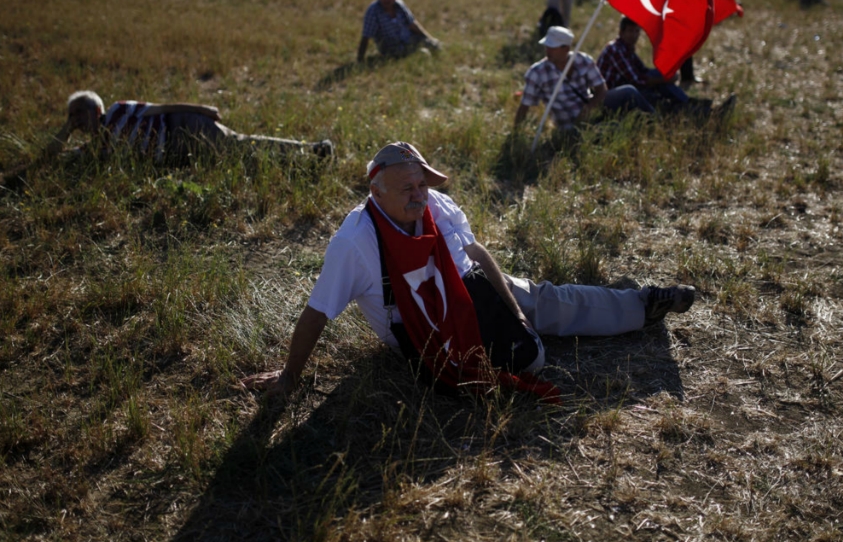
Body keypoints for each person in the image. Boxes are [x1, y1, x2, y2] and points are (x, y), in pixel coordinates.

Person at [240, 141, 696, 399]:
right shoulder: (355, 242)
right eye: (406, 188)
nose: (419, 195)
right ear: (376, 193)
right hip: (427, 332)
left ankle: (643, 305)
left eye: (422, 183)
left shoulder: (436, 204)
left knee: (545, 299)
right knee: (522, 361)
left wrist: (514, 306)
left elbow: (476, 253)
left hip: (473, 287)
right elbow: (317, 312)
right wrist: (289, 377)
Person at [46, 91, 333, 161]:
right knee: (242, 157)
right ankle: (304, 154)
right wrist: (67, 129)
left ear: (96, 110)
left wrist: (201, 109)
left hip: (182, 126)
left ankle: (309, 151)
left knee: (241, 144)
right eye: (73, 116)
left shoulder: (119, 110)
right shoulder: (97, 148)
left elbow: (163, 108)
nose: (78, 120)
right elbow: (51, 158)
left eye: (80, 113)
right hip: (178, 154)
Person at [514, 26, 654, 131]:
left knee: (628, 92)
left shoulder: (583, 60)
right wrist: (516, 133)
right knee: (615, 128)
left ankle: (654, 122)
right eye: (547, 46)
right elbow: (525, 105)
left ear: (566, 48)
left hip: (592, 108)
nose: (548, 51)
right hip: (570, 124)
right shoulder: (537, 72)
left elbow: (601, 90)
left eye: (553, 47)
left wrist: (589, 108)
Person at [596, 17, 736, 118]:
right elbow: (637, 80)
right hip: (612, 96)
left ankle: (695, 107)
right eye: (631, 31)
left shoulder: (626, 48)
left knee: (661, 80)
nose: (634, 35)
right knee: (658, 93)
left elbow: (643, 71)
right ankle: (693, 111)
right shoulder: (615, 50)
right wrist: (664, 79)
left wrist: (664, 75)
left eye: (637, 32)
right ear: (621, 32)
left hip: (626, 88)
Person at [357, 0, 440, 62]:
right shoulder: (373, 11)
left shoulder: (400, 5)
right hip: (392, 47)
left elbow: (412, 24)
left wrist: (429, 38)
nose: (386, 0)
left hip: (408, 38)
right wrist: (360, 59)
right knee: (423, 53)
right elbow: (366, 37)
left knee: (436, 45)